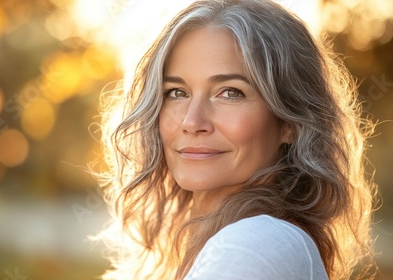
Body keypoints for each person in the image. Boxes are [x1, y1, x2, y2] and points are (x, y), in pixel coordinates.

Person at [94, 0, 377, 279]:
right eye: (177, 92)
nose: (192, 122)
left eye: (230, 93)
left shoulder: (253, 244)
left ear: (290, 122)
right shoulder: (228, 244)